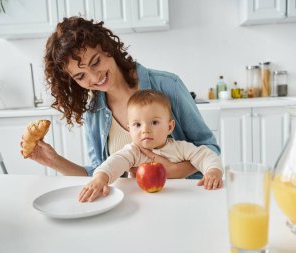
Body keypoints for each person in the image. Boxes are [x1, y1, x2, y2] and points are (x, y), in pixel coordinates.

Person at [23, 16, 220, 181]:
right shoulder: (94, 113)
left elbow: (210, 148)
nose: (94, 77)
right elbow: (98, 173)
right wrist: (53, 161)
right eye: (81, 76)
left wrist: (175, 171)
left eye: (96, 62)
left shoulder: (168, 85)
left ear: (107, 48)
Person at [79, 90, 223, 202]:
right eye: (137, 124)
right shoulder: (133, 151)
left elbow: (205, 155)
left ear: (170, 126)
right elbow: (115, 161)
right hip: (142, 203)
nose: (145, 130)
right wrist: (101, 178)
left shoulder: (179, 148)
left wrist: (213, 171)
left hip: (177, 199)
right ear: (130, 128)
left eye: (154, 122)